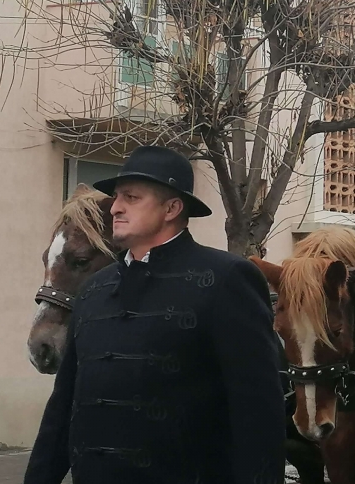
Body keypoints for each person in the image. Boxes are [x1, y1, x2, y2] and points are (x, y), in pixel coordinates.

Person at [25, 146, 285, 484]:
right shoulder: (94, 290)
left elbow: (258, 414)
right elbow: (62, 410)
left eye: (131, 197)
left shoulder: (227, 278)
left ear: (172, 208)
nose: (115, 207)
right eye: (117, 197)